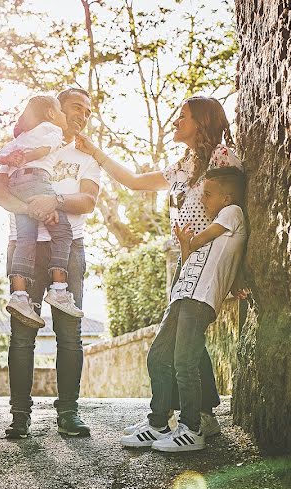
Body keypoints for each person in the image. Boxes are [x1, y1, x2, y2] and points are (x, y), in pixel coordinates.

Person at [77, 95, 247, 437]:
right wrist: (95, 152)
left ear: (201, 122)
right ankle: (193, 415)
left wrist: (239, 272)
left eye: (182, 117)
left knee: (180, 347)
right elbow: (135, 181)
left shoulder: (223, 158)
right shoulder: (183, 165)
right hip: (186, 264)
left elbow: (239, 214)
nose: (175, 122)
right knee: (186, 345)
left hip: (209, 267)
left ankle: (181, 419)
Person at [0, 88, 99, 439]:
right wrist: (30, 208)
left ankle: (68, 412)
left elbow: (87, 201)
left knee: (69, 336)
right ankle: (19, 415)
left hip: (68, 251)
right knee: (22, 337)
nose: (82, 115)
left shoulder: (87, 156)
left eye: (88, 111)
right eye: (76, 108)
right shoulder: (30, 140)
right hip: (24, 247)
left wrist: (52, 199)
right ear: (57, 111)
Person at [121, 166, 248, 451]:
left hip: (201, 300)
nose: (203, 200)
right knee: (158, 356)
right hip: (182, 296)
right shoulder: (218, 222)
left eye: (209, 194)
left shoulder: (232, 213)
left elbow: (199, 240)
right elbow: (191, 255)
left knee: (184, 363)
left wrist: (191, 240)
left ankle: (192, 428)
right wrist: (184, 244)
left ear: (227, 197)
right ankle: (158, 423)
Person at [0, 95, 83, 327]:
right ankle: (59, 289)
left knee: (26, 239)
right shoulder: (51, 129)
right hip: (37, 180)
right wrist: (26, 157)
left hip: (16, 186)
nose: (65, 116)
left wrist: (12, 158)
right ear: (52, 114)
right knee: (63, 232)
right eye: (62, 112)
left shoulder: (22, 136)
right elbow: (45, 150)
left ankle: (19, 296)